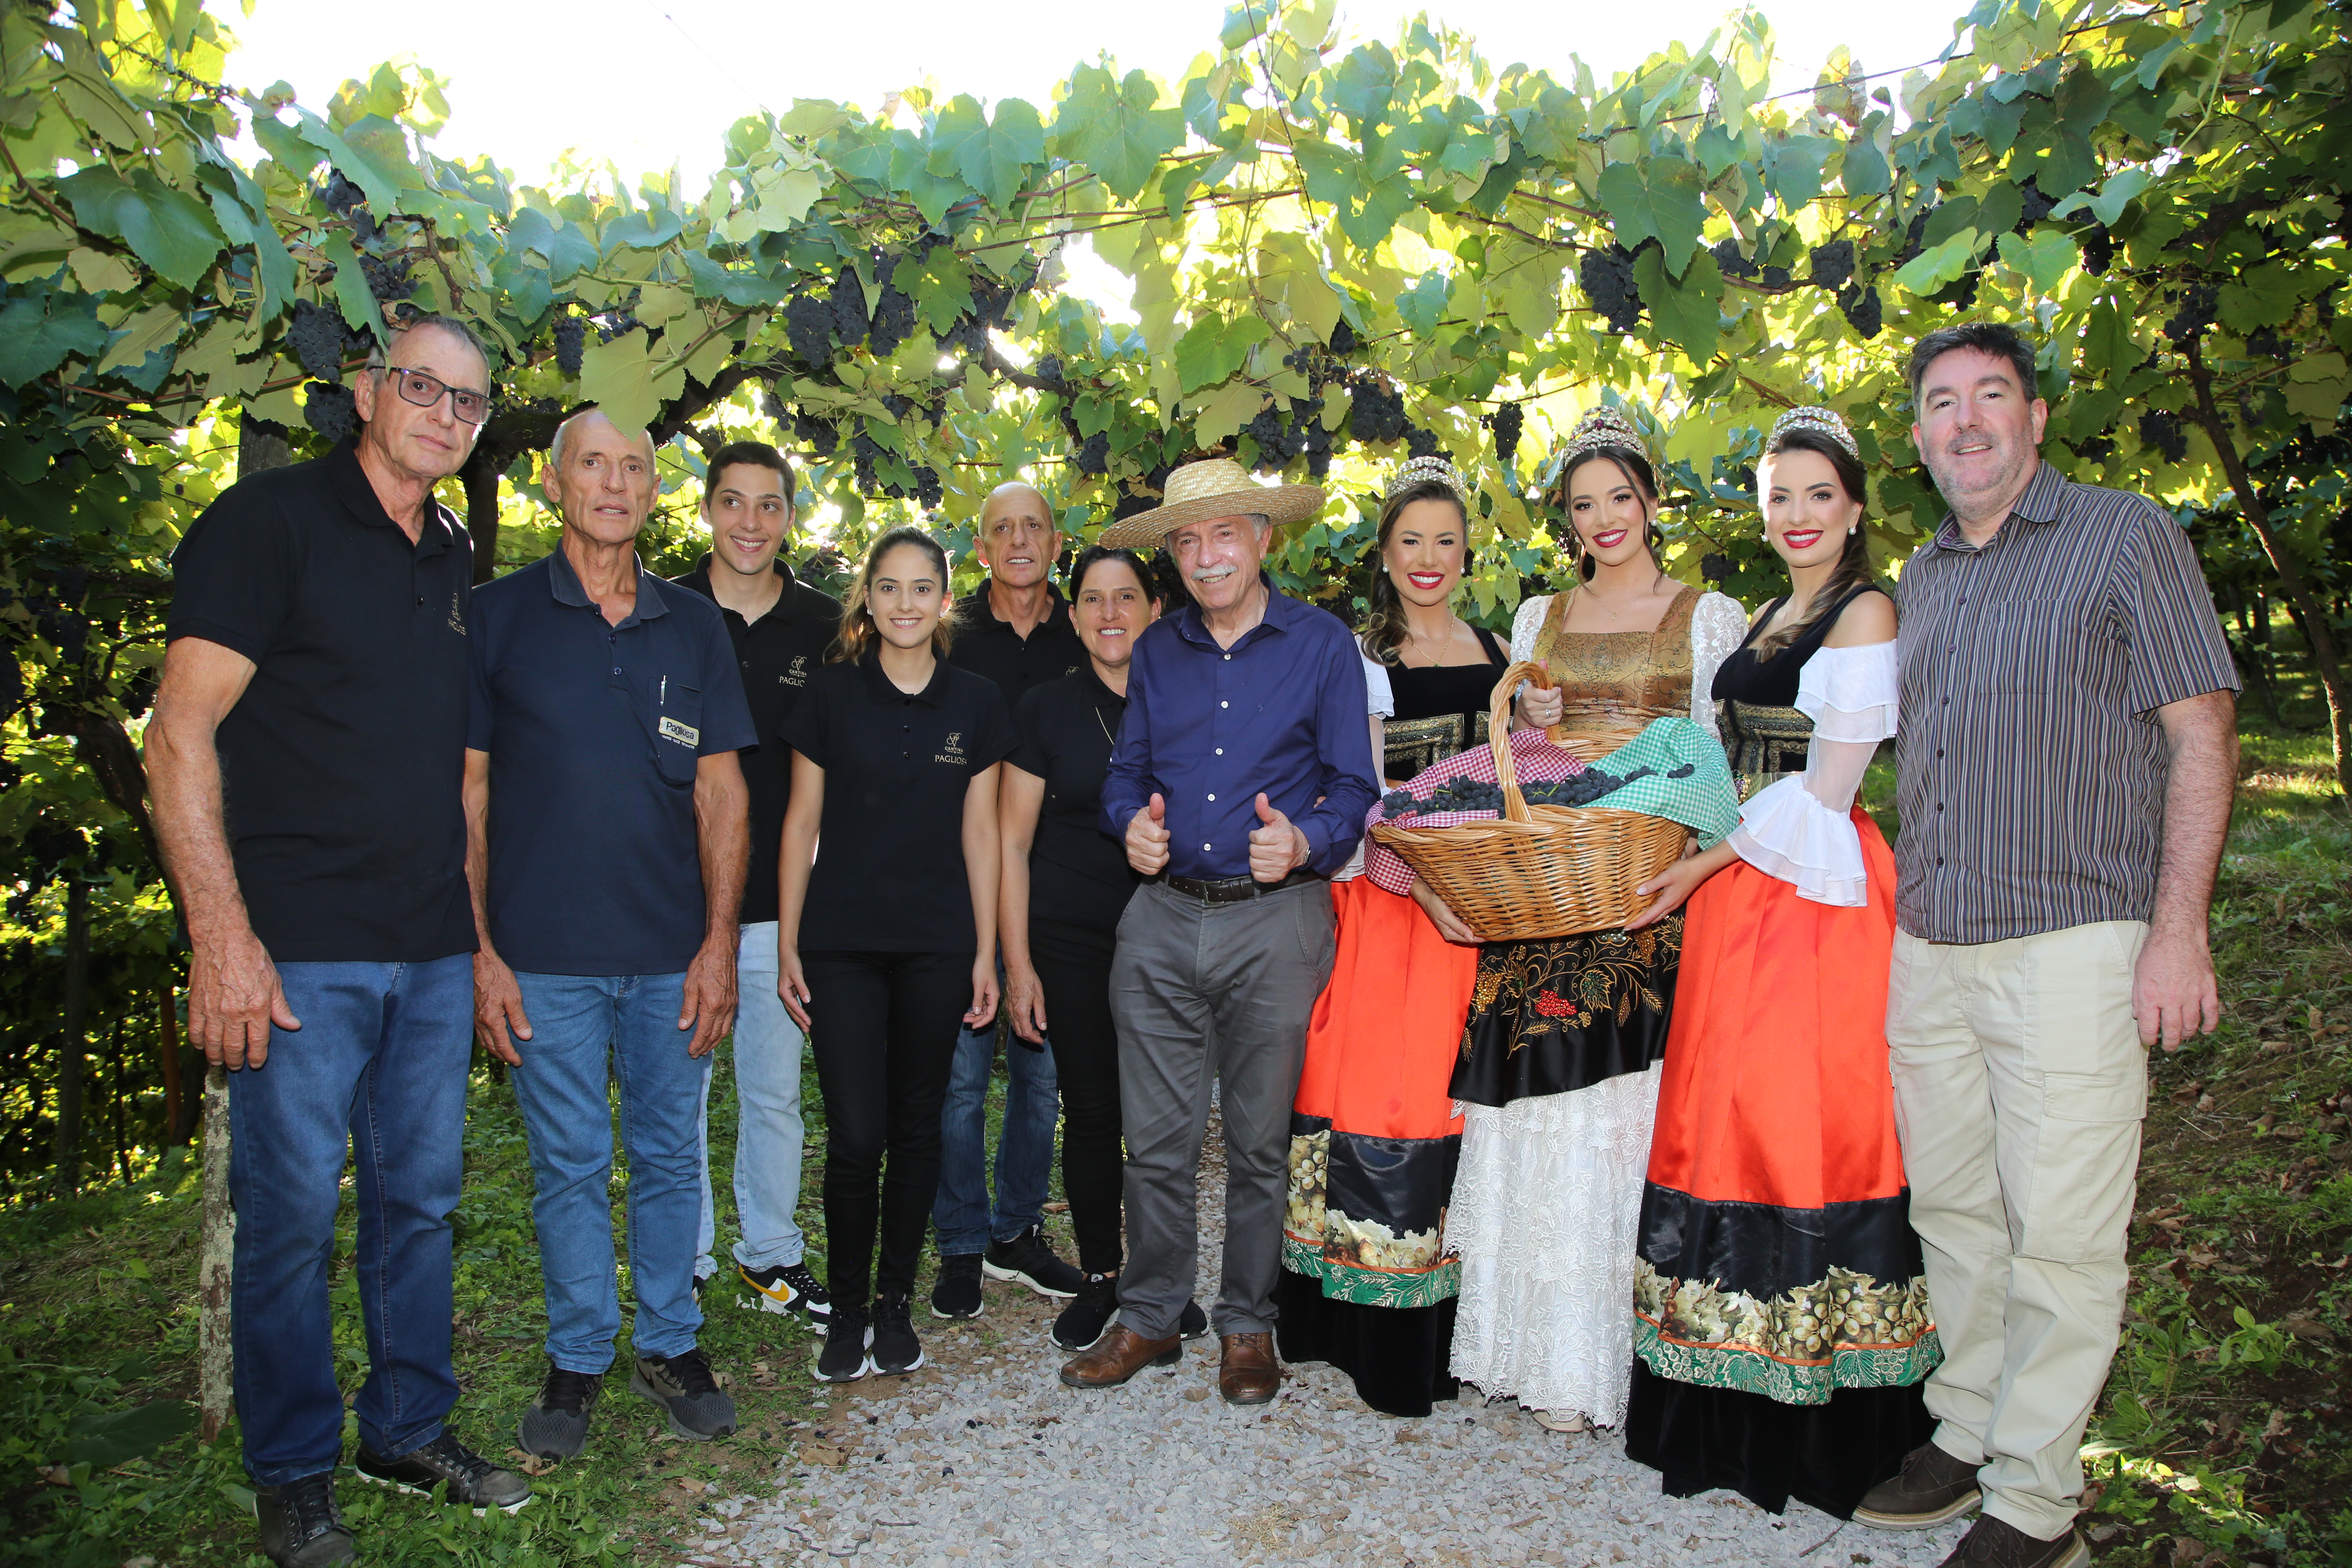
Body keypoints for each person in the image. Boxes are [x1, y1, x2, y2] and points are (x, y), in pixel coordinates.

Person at [148, 316, 530, 1566]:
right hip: (298, 953)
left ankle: (408, 1429)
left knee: (419, 1205)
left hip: (426, 947)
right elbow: (179, 738)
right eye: (421, 386)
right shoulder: (270, 526)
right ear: (368, 391)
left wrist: (473, 944)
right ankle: (295, 1471)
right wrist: (223, 939)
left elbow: (454, 779)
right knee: (294, 1218)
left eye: (468, 403)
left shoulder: (450, 554)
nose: (443, 414)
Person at [1857, 323, 2238, 1568]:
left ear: (2033, 416)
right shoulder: (1925, 577)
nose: (1965, 421)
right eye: (1941, 403)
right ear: (1918, 437)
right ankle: (1969, 1429)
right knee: (1957, 1209)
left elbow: (2202, 734)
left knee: (2065, 1234)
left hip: (2077, 942)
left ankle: (2034, 1500)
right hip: (1936, 942)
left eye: (1990, 396)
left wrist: (2178, 930)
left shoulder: (2125, 535)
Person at [1615, 406, 1936, 1518]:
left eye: (1817, 494)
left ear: (1853, 506)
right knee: (1721, 1122)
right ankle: (1722, 1396)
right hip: (1739, 890)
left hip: (1814, 898)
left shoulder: (1865, 612)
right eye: (1778, 495)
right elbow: (1726, 766)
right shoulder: (1766, 617)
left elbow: (1829, 791)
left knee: (1798, 1124)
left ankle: (1816, 1423)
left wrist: (1700, 870)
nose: (1796, 515)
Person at [1443, 406, 1748, 1434]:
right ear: (1567, 522)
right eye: (1583, 506)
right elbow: (1522, 756)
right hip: (1547, 881)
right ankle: (1531, 1352)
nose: (1605, 519)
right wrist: (1536, 721)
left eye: (1621, 497)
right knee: (1536, 1108)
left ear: (1653, 502)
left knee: (1617, 1119)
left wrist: (1695, 871)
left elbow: (1719, 765)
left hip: (1647, 888)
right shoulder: (1538, 619)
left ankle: (1605, 1361)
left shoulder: (1709, 617)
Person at [1060, 458, 1377, 1405]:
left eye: (1224, 533)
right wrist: (1132, 824)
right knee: (1153, 1143)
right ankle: (1153, 1316)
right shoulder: (1158, 652)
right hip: (1160, 922)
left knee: (1255, 1143)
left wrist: (1307, 841)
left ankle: (1247, 1326)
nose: (1206, 557)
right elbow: (1129, 774)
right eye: (1187, 540)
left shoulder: (1324, 647)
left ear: (1264, 538)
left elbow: (1356, 789)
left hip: (1275, 922)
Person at [468, 408, 754, 1461]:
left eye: (636, 467)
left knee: (672, 1153)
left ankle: (672, 1345)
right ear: (554, 482)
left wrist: (721, 941)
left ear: (652, 489)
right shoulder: (494, 617)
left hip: (673, 951)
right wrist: (481, 951)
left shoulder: (692, 624)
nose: (616, 482)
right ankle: (581, 1354)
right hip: (541, 956)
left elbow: (723, 793)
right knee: (571, 1161)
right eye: (595, 463)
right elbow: (468, 790)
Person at [1276, 455, 1508, 1418]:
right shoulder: (1359, 657)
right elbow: (1362, 796)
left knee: (1471, 1104)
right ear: (1383, 553)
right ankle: (1371, 1324)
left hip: (1486, 907)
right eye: (1411, 541)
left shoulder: (1496, 644)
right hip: (1397, 903)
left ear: (1467, 553)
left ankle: (1468, 1322)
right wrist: (1423, 884)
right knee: (1387, 1094)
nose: (1429, 559)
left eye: (1446, 542)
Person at [777, 526, 1016, 1383]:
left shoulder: (978, 701)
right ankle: (844, 1314)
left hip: (937, 945)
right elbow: (801, 823)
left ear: (944, 599)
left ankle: (892, 1307)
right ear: (868, 600)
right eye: (890, 588)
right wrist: (790, 946)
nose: (906, 604)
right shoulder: (831, 696)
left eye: (923, 588)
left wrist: (985, 954)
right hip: (841, 943)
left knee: (918, 1130)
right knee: (857, 1134)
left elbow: (983, 833)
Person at [671, 441, 838, 1324]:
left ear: (788, 517)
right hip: (678, 902)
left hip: (783, 901)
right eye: (733, 503)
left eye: (768, 505)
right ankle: (686, 1255)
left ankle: (770, 1255)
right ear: (707, 509)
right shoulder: (663, 607)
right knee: (684, 1089)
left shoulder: (822, 626)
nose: (750, 522)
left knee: (772, 1088)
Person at [998, 546, 1165, 1350]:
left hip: (1170, 936)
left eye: (1125, 597)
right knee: (1093, 1111)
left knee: (1162, 1120)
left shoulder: (1193, 703)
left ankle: (1160, 1283)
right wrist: (1018, 963)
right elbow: (1008, 842)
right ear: (1074, 618)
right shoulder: (1044, 709)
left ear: (1155, 610)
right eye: (1093, 600)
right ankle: (1103, 1276)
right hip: (1067, 936)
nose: (1109, 614)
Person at [933, 482, 1089, 1317]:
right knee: (959, 1079)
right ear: (981, 546)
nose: (1020, 540)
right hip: (958, 881)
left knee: (1042, 1072)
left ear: (1056, 543)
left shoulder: (1090, 627)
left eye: (1034, 526)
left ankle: (1016, 1230)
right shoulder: (948, 634)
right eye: (1004, 529)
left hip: (1054, 882)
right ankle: (960, 1241)